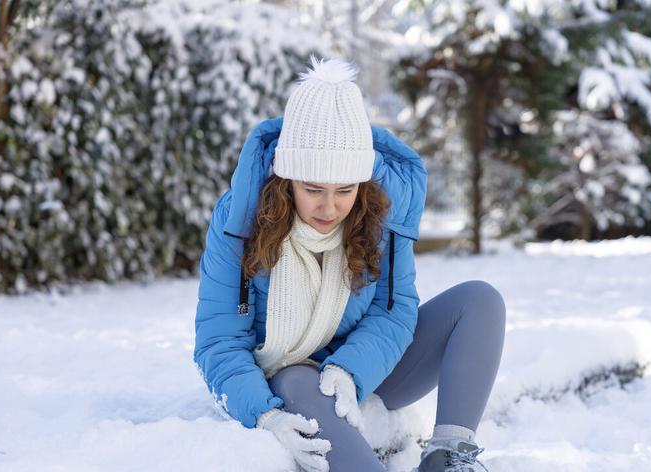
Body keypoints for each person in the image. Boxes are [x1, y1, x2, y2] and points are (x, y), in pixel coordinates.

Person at [193, 56, 506, 472]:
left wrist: (350, 371)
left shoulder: (381, 215)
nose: (329, 207)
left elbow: (394, 313)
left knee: (479, 301)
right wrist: (264, 415)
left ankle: (449, 459)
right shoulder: (241, 221)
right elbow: (219, 341)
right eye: (313, 189)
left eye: (345, 189)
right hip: (284, 379)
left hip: (364, 368)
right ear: (286, 180)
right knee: (302, 379)